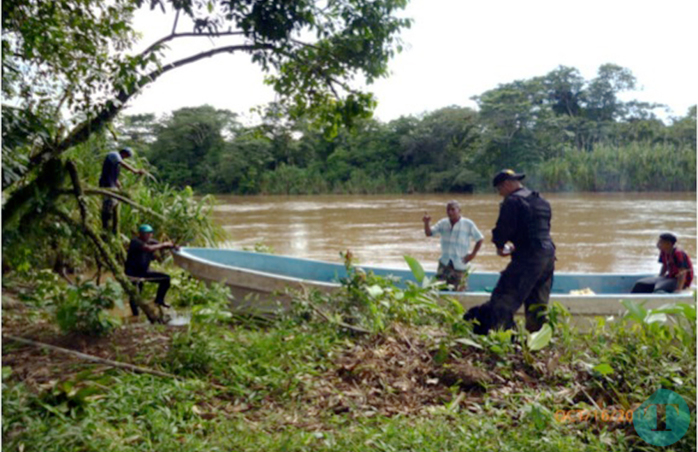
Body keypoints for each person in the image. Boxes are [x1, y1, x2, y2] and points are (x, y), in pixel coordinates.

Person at [464, 169, 556, 335]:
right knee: (537, 304)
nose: (500, 194)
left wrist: (500, 247)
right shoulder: (540, 200)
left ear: (506, 184)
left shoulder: (512, 201)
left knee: (502, 301)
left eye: (499, 190)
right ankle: (537, 342)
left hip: (528, 259)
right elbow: (539, 230)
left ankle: (505, 340)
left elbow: (502, 230)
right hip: (548, 257)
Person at [423, 200, 484, 291]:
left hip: (460, 265)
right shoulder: (443, 223)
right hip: (444, 264)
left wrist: (472, 255)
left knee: (459, 292)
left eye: (453, 209)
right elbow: (429, 233)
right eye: (448, 210)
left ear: (459, 210)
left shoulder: (468, 224)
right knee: (440, 291)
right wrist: (426, 223)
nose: (450, 212)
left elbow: (479, 239)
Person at [125, 224, 178, 316]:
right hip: (133, 273)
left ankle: (159, 300)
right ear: (140, 234)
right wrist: (163, 245)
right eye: (146, 234)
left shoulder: (151, 242)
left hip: (144, 272)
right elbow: (148, 248)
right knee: (135, 294)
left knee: (166, 279)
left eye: (150, 234)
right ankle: (135, 314)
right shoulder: (135, 242)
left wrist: (173, 246)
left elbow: (160, 246)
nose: (148, 236)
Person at [99, 147, 144, 233]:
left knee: (114, 204)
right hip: (106, 184)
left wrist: (118, 183)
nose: (126, 158)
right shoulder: (114, 155)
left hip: (112, 184)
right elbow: (122, 163)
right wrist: (135, 171)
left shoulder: (116, 163)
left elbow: (113, 174)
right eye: (127, 155)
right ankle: (105, 226)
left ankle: (113, 227)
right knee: (108, 203)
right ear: (124, 153)